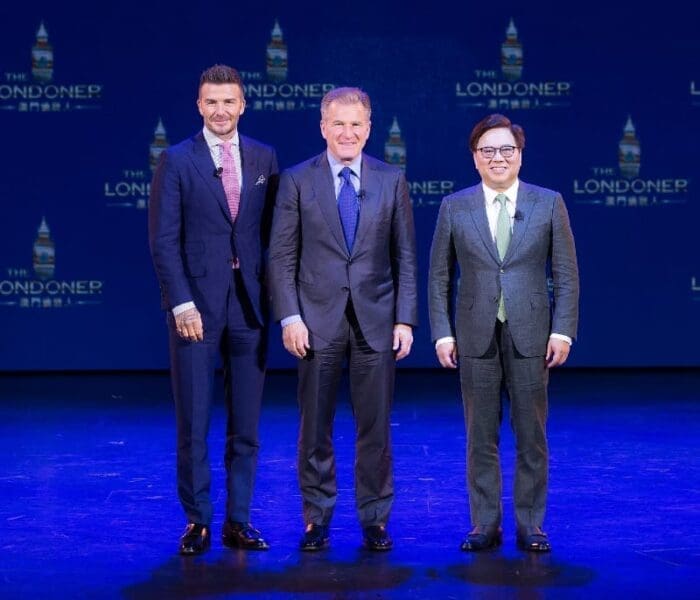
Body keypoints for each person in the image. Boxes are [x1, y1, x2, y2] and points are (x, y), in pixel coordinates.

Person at [268, 87, 417, 552]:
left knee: (375, 426)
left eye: (357, 124)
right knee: (315, 426)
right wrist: (290, 316)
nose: (348, 133)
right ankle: (317, 517)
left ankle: (375, 517)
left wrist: (405, 320)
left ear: (369, 128)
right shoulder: (296, 180)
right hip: (314, 322)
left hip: (376, 320)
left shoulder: (392, 180)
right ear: (323, 127)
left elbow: (406, 257)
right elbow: (281, 255)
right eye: (339, 124)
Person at [428, 113, 579, 553]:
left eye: (506, 150)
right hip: (474, 335)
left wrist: (563, 331)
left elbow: (566, 275)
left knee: (532, 434)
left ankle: (531, 525)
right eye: (488, 151)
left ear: (520, 155)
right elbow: (439, 275)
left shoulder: (548, 203)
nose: (498, 158)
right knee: (480, 436)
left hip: (532, 334)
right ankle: (484, 524)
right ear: (475, 159)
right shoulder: (455, 207)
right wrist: (442, 333)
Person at [148, 64, 278, 556]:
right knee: (195, 422)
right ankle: (198, 521)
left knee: (247, 425)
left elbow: (272, 237)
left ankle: (238, 520)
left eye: (229, 101)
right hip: (196, 309)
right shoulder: (177, 160)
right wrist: (180, 301)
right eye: (211, 102)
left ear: (243, 104)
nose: (221, 110)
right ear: (199, 106)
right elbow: (163, 241)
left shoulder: (265, 157)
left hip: (250, 308)